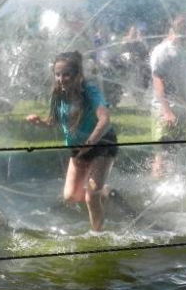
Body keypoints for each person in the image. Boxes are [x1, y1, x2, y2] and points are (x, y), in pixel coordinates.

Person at [27, 51, 119, 231]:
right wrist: (40, 123)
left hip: (102, 143)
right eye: (57, 74)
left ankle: (98, 236)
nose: (61, 79)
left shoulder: (89, 91)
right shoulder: (57, 94)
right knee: (70, 197)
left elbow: (105, 119)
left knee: (91, 197)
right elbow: (54, 122)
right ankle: (106, 191)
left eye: (66, 74)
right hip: (79, 147)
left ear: (78, 75)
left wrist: (90, 142)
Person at [149, 12, 186, 178]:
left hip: (182, 110)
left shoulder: (183, 51)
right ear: (182, 30)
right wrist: (167, 111)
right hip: (164, 110)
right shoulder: (163, 50)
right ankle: (156, 189)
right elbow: (158, 80)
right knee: (162, 154)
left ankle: (171, 191)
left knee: (178, 153)